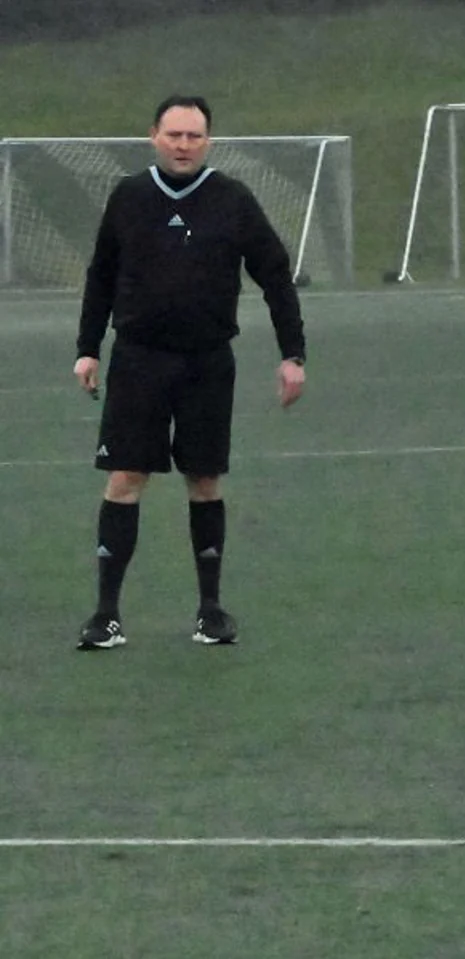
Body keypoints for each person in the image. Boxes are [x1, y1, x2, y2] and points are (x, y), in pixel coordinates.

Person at [72, 94, 307, 652]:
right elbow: (101, 276)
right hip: (139, 360)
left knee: (204, 480)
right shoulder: (129, 196)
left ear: (208, 141)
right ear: (153, 136)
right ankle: (106, 615)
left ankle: (210, 611)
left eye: (194, 136)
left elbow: (276, 276)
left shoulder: (233, 200)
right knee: (126, 478)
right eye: (174, 135)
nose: (183, 145)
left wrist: (292, 354)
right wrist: (87, 349)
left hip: (206, 363)